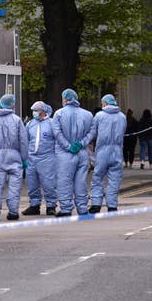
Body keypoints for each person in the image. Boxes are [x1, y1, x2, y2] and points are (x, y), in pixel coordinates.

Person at [51, 88, 94, 217]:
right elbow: (92, 132)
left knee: (64, 181)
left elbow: (57, 133)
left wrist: (68, 146)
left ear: (65, 99)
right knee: (80, 181)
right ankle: (82, 208)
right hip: (82, 152)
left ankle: (66, 209)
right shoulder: (87, 114)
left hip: (65, 153)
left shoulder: (58, 114)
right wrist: (81, 143)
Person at [0, 94, 28, 221]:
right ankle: (13, 212)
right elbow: (23, 141)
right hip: (14, 155)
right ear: (12, 104)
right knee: (15, 185)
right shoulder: (16, 120)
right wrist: (24, 158)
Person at [88, 94, 127, 213]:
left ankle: (96, 204)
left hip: (102, 151)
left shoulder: (99, 115)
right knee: (114, 179)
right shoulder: (122, 116)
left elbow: (93, 133)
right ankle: (112, 206)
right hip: (117, 150)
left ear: (104, 103)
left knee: (97, 177)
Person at [22, 101, 57, 216]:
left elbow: (57, 140)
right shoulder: (30, 124)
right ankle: (34, 205)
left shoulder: (52, 123)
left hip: (47, 157)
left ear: (43, 111)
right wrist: (25, 157)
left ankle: (51, 205)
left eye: (36, 110)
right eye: (33, 110)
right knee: (32, 182)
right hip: (32, 157)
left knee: (49, 183)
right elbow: (26, 141)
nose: (34, 113)